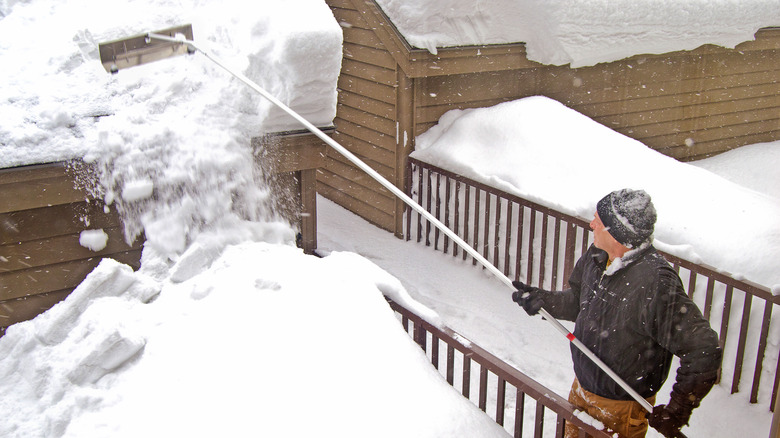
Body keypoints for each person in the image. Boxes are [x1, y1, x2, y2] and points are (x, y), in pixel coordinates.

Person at [511, 189, 721, 438]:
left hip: (621, 408)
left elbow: (703, 350)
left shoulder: (655, 283)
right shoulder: (597, 257)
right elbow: (579, 302)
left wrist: (677, 411)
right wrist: (543, 300)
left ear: (617, 232)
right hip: (582, 387)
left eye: (598, 221)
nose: (591, 225)